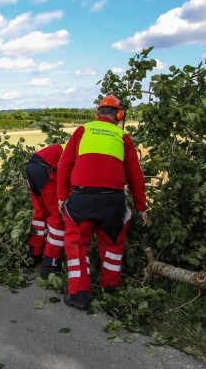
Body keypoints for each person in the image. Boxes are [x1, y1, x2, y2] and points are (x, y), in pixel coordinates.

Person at [56, 95, 147, 310]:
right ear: (119, 115)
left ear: (97, 114)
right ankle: (111, 289)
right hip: (113, 201)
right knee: (113, 244)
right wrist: (141, 208)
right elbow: (135, 176)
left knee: (77, 244)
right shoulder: (122, 136)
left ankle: (79, 293)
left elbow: (65, 165)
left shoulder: (82, 131)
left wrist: (62, 197)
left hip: (81, 199)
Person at [24, 143, 66, 277]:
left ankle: (33, 254)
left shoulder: (68, 146)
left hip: (31, 167)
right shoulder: (80, 152)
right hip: (45, 169)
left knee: (41, 214)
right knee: (58, 216)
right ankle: (50, 264)